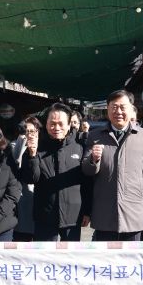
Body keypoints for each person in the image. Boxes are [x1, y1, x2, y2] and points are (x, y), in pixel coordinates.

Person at [82, 90, 143, 241]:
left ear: (131, 109)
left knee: (133, 255)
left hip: (134, 212)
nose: (118, 112)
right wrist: (93, 159)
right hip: (104, 212)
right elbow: (87, 171)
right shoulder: (95, 135)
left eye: (123, 107)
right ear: (108, 109)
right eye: (114, 107)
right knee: (105, 255)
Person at [21, 103, 90, 241]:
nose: (56, 128)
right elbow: (30, 179)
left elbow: (87, 182)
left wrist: (87, 211)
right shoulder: (36, 146)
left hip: (73, 216)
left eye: (60, 124)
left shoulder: (80, 146)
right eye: (52, 124)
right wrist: (32, 155)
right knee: (45, 254)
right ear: (46, 125)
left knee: (70, 254)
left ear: (69, 125)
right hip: (44, 216)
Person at [11, 116, 42, 241]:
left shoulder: (44, 146)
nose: (30, 134)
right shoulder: (16, 145)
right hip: (23, 200)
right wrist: (23, 143)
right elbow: (15, 161)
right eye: (26, 131)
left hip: (40, 199)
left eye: (32, 131)